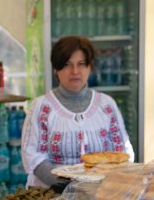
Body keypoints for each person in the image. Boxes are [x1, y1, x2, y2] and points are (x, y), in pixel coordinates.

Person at [21, 36, 134, 190]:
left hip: (100, 194)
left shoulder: (106, 105)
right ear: (56, 68)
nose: (75, 71)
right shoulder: (41, 107)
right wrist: (64, 185)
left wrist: (104, 184)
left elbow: (122, 152)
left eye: (81, 64)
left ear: (90, 67)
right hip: (51, 196)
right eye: (67, 65)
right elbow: (33, 156)